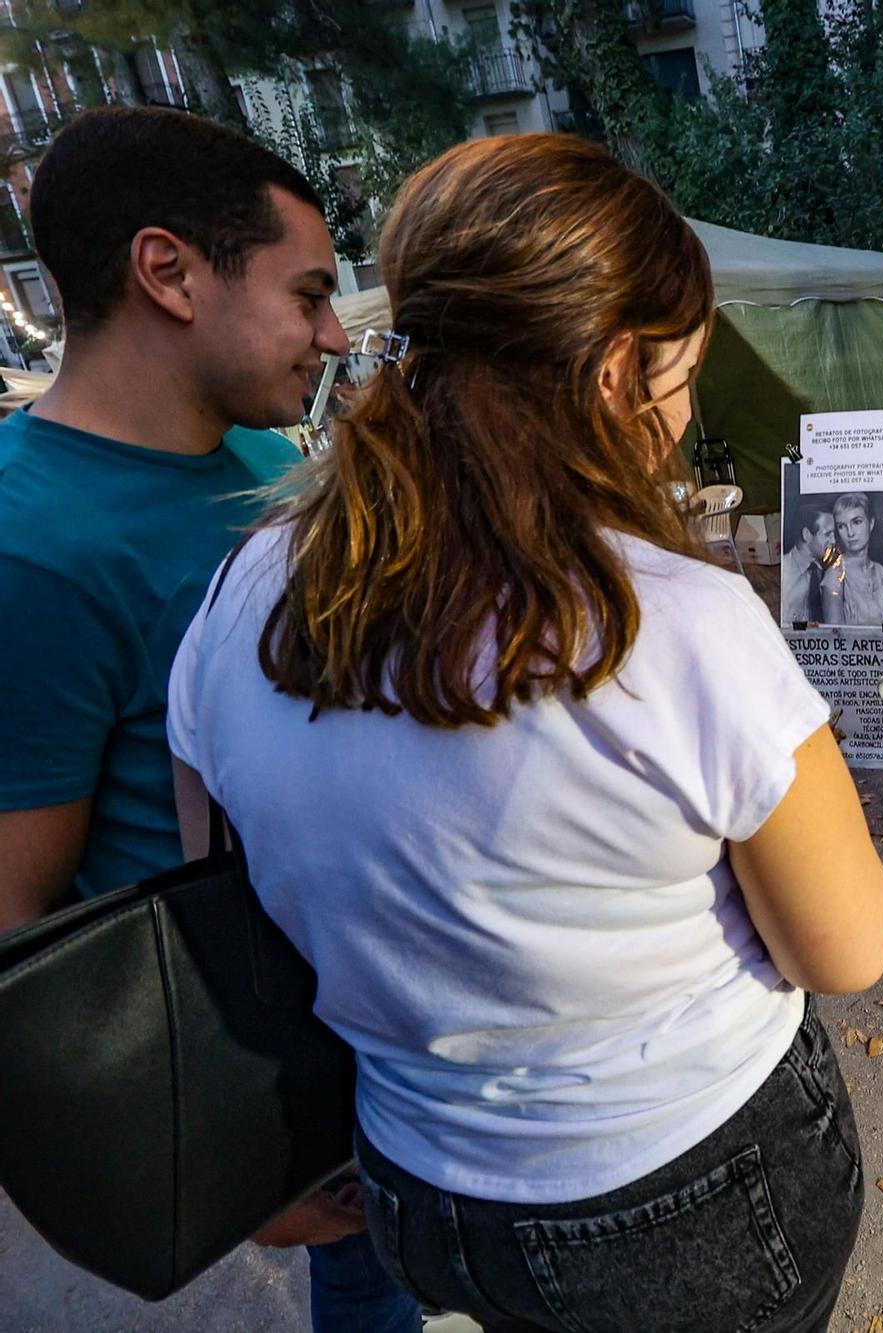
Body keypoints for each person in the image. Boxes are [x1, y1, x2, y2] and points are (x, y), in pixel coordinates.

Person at [167, 134, 883, 1333]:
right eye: (684, 371)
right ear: (616, 372)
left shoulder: (244, 590)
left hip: (418, 1181)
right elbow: (848, 948)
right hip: (684, 1191)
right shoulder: (680, 623)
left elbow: (230, 879)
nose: (683, 408)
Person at [0, 108, 418, 1330]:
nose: (336, 334)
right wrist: (241, 1173)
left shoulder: (259, 451)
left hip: (377, 1043)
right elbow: (18, 937)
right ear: (169, 274)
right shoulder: (34, 551)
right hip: (273, 1096)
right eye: (307, 293)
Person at [820, 491, 883, 629]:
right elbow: (835, 641)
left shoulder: (879, 571)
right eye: (841, 526)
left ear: (871, 523)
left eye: (856, 522)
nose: (850, 533)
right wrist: (853, 631)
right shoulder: (834, 577)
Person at [781, 504, 835, 624]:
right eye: (827, 534)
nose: (834, 541)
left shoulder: (827, 572)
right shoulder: (782, 573)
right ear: (807, 534)